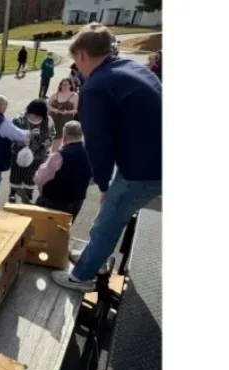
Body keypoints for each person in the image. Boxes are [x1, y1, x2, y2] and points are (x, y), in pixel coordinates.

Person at [52, 23, 162, 292]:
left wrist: (103, 185)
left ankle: (82, 277)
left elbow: (98, 145)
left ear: (82, 56)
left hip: (143, 169)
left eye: (75, 62)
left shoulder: (95, 87)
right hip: (151, 157)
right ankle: (94, 258)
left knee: (108, 221)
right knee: (108, 218)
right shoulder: (131, 66)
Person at [34, 121, 91, 221]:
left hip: (54, 200)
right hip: (77, 199)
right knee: (63, 229)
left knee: (42, 228)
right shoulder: (91, 153)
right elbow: (93, 179)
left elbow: (39, 178)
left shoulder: (59, 155)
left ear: (65, 136)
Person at [8, 99, 55, 204]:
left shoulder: (48, 121)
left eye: (39, 116)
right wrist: (21, 142)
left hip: (37, 156)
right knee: (16, 174)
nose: (36, 117)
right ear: (29, 112)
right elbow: (11, 136)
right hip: (18, 155)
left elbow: (52, 135)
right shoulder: (18, 120)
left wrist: (44, 145)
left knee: (31, 176)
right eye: (33, 115)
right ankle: (12, 193)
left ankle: (28, 194)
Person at [48, 77, 79, 152]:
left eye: (66, 84)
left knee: (59, 137)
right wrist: (54, 109)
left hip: (65, 120)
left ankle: (53, 154)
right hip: (53, 118)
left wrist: (67, 112)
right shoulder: (56, 94)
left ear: (70, 85)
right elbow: (48, 105)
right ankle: (47, 151)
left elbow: (76, 110)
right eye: (62, 84)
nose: (64, 86)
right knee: (49, 135)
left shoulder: (75, 96)